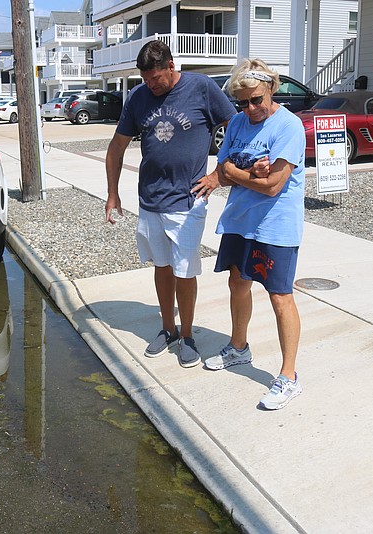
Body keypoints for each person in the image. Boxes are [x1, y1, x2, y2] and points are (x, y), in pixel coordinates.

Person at [105, 40, 235, 368]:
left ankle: (188, 335)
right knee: (161, 267)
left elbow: (235, 127)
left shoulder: (202, 88)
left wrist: (219, 174)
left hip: (187, 201)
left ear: (171, 65)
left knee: (185, 270)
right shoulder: (138, 98)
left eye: (156, 79)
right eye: (146, 80)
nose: (151, 85)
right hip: (150, 200)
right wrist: (112, 193)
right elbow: (116, 147)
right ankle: (168, 329)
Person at [191, 58, 306, 410]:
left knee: (279, 296)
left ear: (271, 89)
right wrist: (241, 172)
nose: (250, 108)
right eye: (242, 102)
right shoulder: (238, 123)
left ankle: (289, 377)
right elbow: (220, 171)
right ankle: (238, 347)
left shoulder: (289, 126)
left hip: (275, 226)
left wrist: (237, 172)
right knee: (237, 283)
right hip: (240, 221)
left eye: (256, 99)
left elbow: (272, 186)